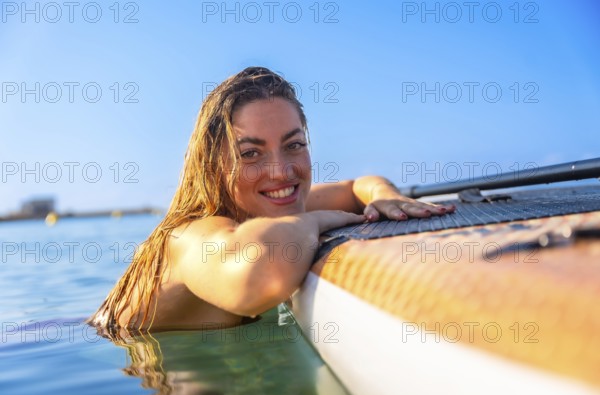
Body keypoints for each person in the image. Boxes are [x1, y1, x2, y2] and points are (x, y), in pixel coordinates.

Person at [88, 67, 455, 335]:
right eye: (251, 154)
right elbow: (257, 276)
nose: (281, 172)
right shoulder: (188, 237)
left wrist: (386, 197)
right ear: (215, 166)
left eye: (294, 145)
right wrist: (315, 220)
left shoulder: (269, 203)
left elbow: (360, 185)